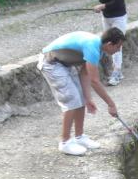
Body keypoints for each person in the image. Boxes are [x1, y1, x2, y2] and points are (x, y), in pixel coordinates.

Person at [38, 27, 125, 156]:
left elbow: (85, 74)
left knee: (80, 98)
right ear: (109, 44)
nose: (119, 50)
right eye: (118, 46)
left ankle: (79, 137)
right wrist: (111, 104)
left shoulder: (99, 49)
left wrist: (88, 98)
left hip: (64, 65)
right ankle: (65, 142)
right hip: (51, 63)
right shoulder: (92, 47)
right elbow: (95, 81)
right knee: (71, 99)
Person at [93, 0, 128, 86]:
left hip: (119, 18)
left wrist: (103, 6)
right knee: (107, 43)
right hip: (106, 18)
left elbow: (117, 2)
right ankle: (116, 70)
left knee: (116, 43)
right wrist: (100, 8)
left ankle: (117, 72)